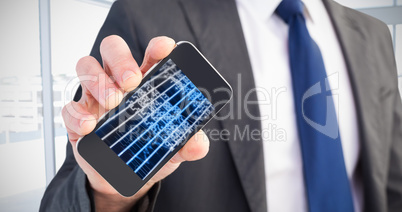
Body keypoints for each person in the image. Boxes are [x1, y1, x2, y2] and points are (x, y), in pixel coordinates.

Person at [40, 0, 402, 211]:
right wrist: (107, 195)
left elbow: (391, 176)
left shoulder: (371, 34)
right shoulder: (143, 13)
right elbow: (62, 200)